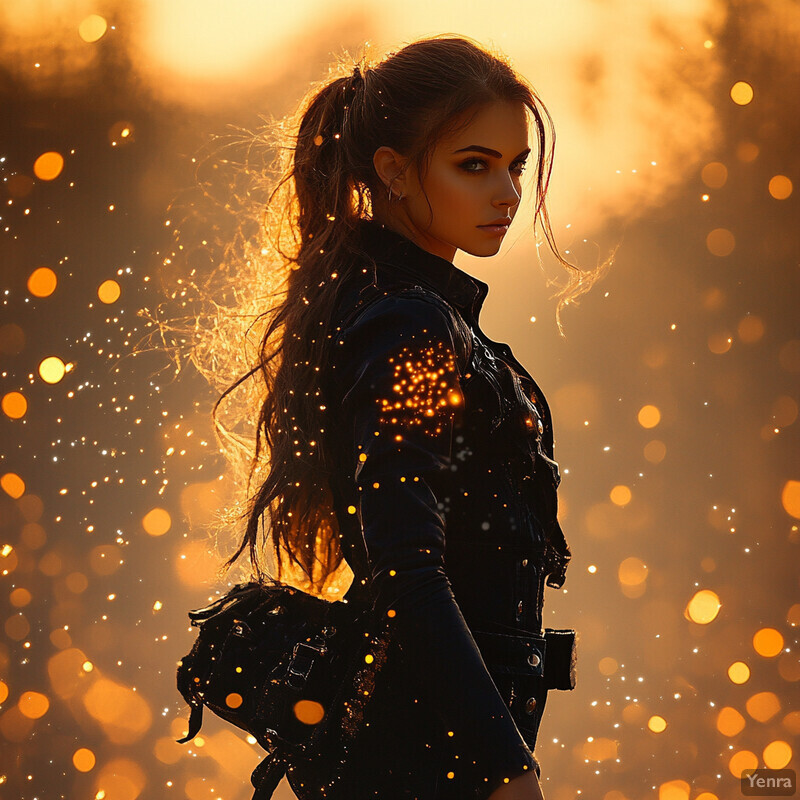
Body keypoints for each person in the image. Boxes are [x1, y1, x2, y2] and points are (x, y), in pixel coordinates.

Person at [215, 34, 608, 800]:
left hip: (434, 746)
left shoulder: (423, 318)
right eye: (474, 164)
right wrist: (504, 768)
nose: (507, 193)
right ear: (393, 171)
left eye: (515, 165)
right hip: (421, 759)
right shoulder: (410, 329)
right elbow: (407, 569)